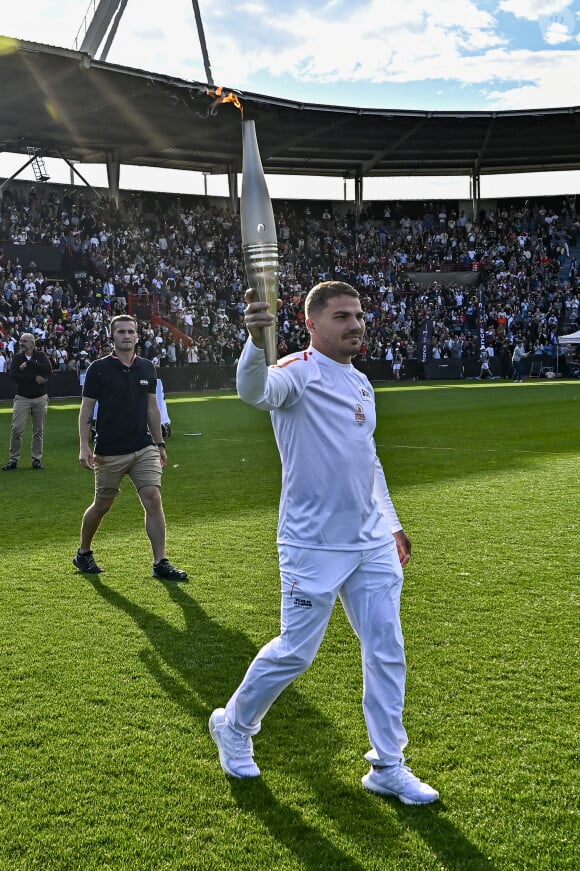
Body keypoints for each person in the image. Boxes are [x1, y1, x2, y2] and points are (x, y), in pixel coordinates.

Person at [209, 281, 439, 806]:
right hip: (312, 545)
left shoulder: (361, 384)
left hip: (371, 543)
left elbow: (369, 459)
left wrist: (393, 522)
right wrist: (253, 339)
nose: (355, 324)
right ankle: (236, 726)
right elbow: (254, 391)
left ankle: (388, 765)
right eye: (341, 316)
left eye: (358, 315)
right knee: (295, 652)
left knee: (387, 649)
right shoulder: (297, 372)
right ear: (311, 323)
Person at [74, 314, 187, 581]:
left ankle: (161, 562)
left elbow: (152, 408)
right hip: (109, 450)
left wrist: (159, 443)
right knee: (102, 505)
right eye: (121, 332)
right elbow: (86, 410)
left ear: (137, 336)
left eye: (131, 332)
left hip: (142, 447)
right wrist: (83, 445)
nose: (126, 336)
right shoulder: (98, 369)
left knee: (153, 498)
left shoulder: (147, 367)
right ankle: (84, 552)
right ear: (111, 336)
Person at [2, 332, 51, 471]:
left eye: (24, 341)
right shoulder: (17, 358)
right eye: (20, 340)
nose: (21, 343)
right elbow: (13, 375)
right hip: (22, 398)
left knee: (38, 430)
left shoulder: (40, 356)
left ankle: (36, 459)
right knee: (16, 429)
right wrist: (34, 377)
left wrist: (29, 364)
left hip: (40, 398)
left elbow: (48, 369)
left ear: (32, 343)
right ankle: (13, 459)